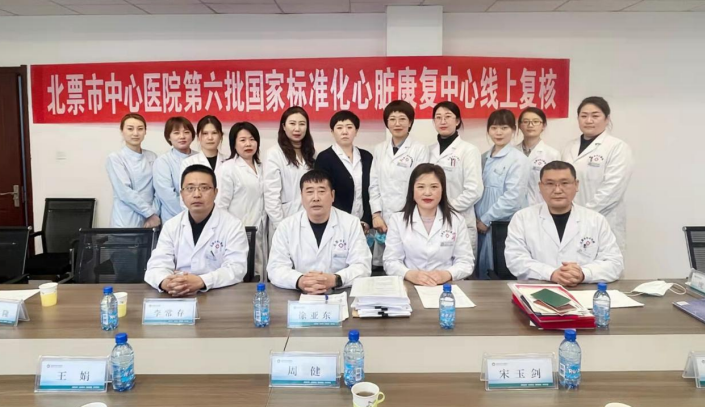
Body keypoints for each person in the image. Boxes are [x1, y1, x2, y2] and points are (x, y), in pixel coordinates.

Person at [505, 161, 623, 285]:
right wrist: (551, 273)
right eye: (550, 184)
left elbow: (614, 263)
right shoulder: (522, 218)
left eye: (565, 183)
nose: (557, 190)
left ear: (576, 185)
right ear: (540, 187)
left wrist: (583, 274)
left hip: (583, 290)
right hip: (537, 289)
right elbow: (515, 260)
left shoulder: (596, 220)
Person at [145, 164, 249, 295]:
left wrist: (202, 281)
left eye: (204, 188)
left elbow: (236, 268)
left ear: (215, 193)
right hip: (178, 294)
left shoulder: (233, 225)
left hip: (218, 294)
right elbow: (156, 266)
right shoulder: (171, 225)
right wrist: (167, 283)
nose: (197, 194)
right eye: (190, 188)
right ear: (182, 194)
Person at [267, 170, 371, 293]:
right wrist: (300, 281)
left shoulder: (351, 224)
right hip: (299, 296)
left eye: (321, 191)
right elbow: (275, 268)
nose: (316, 198)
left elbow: (362, 266)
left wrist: (335, 279)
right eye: (309, 192)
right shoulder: (286, 227)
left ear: (332, 195)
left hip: (341, 295)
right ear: (301, 196)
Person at [561, 97, 633, 254]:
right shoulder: (569, 147)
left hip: (604, 220)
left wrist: (583, 215)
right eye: (583, 115)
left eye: (595, 115)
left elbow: (612, 190)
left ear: (607, 119)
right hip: (570, 220)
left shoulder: (617, 147)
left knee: (603, 264)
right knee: (571, 265)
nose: (589, 120)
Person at [384, 164, 475, 285]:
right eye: (421, 187)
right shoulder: (398, 220)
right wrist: (410, 274)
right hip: (409, 285)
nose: (427, 193)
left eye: (434, 187)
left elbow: (466, 262)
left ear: (442, 190)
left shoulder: (457, 221)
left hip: (446, 286)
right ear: (412, 190)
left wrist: (446, 274)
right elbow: (390, 261)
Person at [369, 100, 429, 263]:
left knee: (409, 262)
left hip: (410, 215)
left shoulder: (419, 149)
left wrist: (411, 214)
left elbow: (421, 185)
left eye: (402, 119)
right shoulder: (379, 149)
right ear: (387, 123)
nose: (397, 124)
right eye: (392, 119)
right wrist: (376, 214)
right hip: (384, 218)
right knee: (387, 264)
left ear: (410, 122)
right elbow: (374, 184)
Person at [475, 109, 529, 279]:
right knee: (480, 270)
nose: (498, 132)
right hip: (479, 224)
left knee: (499, 271)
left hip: (501, 224)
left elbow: (513, 198)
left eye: (504, 128)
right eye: (494, 128)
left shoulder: (518, 159)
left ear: (514, 130)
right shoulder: (483, 157)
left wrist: (486, 219)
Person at [429, 101, 483, 254]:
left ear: (457, 121)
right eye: (438, 117)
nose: (443, 121)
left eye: (448, 116)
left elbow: (474, 190)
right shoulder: (428, 150)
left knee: (461, 265)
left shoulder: (468, 150)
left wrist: (447, 208)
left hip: (460, 218)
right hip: (432, 219)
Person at [216, 122, 267, 276]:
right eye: (243, 140)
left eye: (252, 139)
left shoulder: (262, 167)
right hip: (238, 230)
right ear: (234, 144)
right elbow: (220, 205)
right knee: (241, 273)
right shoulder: (228, 168)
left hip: (261, 229)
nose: (248, 144)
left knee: (260, 273)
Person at [314, 110, 373, 231]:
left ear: (356, 131)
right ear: (332, 132)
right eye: (339, 127)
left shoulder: (367, 157)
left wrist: (366, 221)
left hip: (364, 225)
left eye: (349, 127)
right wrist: (345, 222)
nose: (345, 132)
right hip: (336, 223)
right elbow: (324, 192)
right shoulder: (324, 158)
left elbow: (373, 189)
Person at [264, 106, 316, 231]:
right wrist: (281, 226)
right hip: (284, 219)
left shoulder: (311, 153)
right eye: (292, 123)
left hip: (310, 218)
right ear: (283, 126)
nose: (297, 128)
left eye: (302, 124)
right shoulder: (274, 154)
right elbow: (271, 196)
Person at [106, 113, 160, 228]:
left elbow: (158, 189)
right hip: (125, 221)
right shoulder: (115, 158)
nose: (135, 133)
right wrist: (149, 213)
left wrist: (155, 213)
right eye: (130, 129)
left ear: (145, 131)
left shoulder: (152, 157)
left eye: (140, 129)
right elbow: (124, 191)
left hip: (151, 221)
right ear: (122, 131)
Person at [153, 116, 196, 223]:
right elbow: (167, 195)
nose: (182, 136)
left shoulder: (201, 157)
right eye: (176, 133)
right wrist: (190, 216)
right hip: (174, 219)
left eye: (186, 132)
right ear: (168, 137)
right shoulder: (163, 161)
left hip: (200, 217)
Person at [517, 107, 560, 206]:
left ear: (543, 126)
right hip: (514, 207)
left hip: (542, 206)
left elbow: (556, 185)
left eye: (535, 121)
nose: (530, 125)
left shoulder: (552, 154)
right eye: (526, 121)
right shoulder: (512, 153)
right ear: (519, 125)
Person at [180, 115, 228, 182]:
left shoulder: (229, 162)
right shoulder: (188, 163)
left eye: (214, 133)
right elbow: (184, 188)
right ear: (198, 137)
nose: (210, 137)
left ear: (221, 136)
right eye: (205, 133)